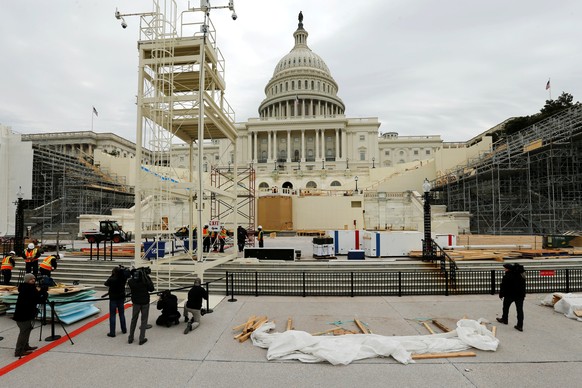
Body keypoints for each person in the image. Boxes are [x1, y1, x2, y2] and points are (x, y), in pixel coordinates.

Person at [13, 273, 47, 357]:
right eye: (31, 279)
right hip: (23, 314)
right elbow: (38, 299)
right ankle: (19, 351)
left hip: (26, 313)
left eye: (34, 279)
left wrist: (42, 291)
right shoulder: (28, 289)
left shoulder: (28, 287)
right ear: (27, 280)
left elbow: (35, 297)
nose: (34, 280)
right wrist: (44, 293)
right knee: (24, 331)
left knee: (27, 329)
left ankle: (25, 346)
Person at [127, 267, 155, 345]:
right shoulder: (145, 281)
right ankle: (141, 338)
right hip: (145, 302)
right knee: (144, 320)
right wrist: (147, 278)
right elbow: (152, 289)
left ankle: (130, 337)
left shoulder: (130, 281)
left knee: (134, 319)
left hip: (136, 302)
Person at [497, 263, 526, 331]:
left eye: (505, 268)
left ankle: (504, 319)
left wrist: (501, 294)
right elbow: (523, 286)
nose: (504, 270)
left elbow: (503, 286)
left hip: (509, 295)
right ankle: (520, 325)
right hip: (520, 296)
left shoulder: (507, 276)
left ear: (508, 269)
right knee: (519, 310)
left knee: (505, 307)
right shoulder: (521, 275)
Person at [104, 266, 129, 337]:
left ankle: (112, 332)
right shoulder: (123, 279)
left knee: (112, 315)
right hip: (121, 298)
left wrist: (111, 275)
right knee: (121, 314)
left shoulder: (112, 279)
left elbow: (105, 283)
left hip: (113, 299)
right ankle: (124, 329)